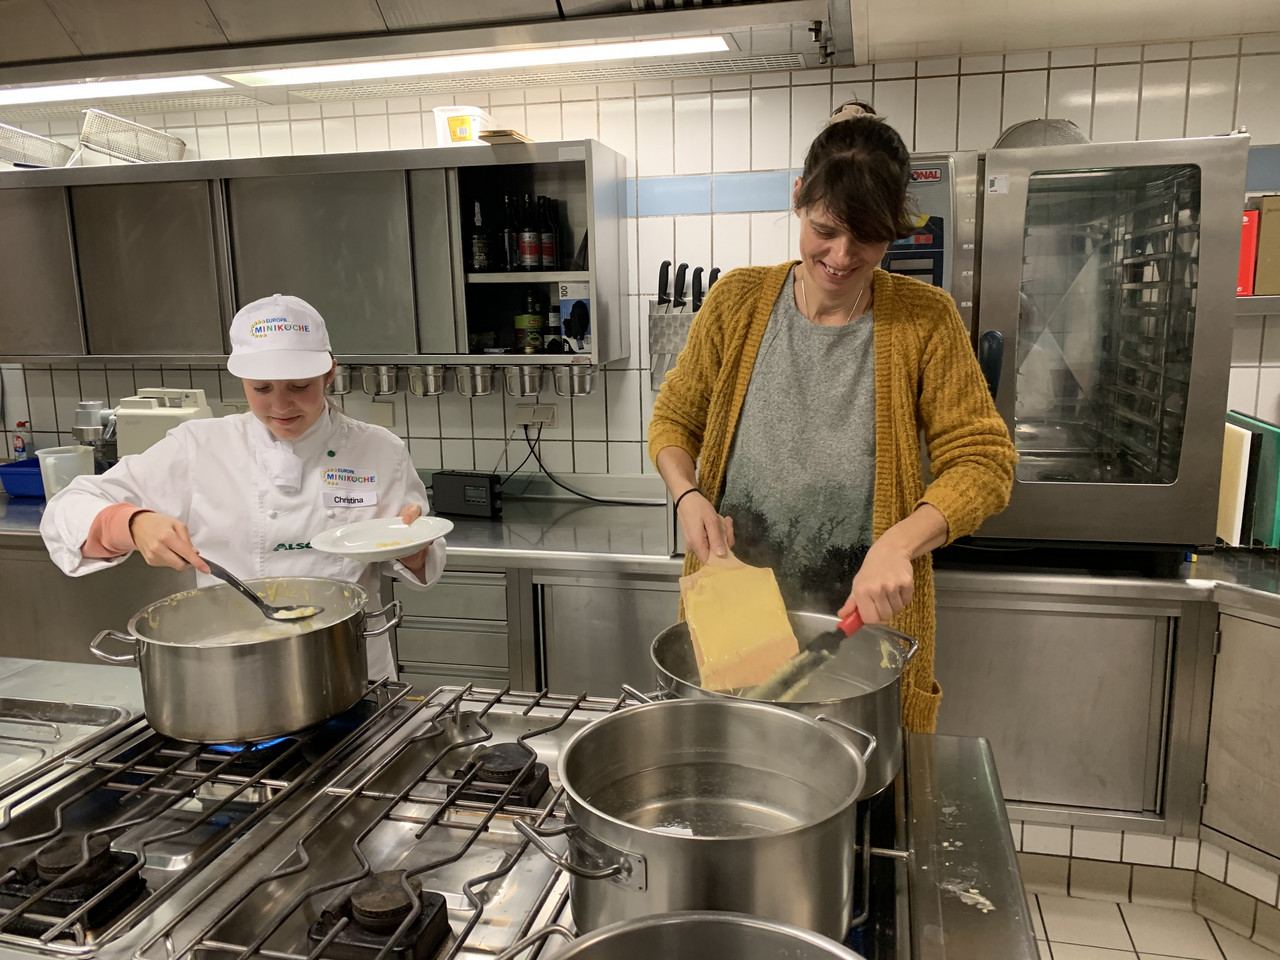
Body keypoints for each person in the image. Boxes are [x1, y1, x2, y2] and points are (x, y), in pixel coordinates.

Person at [647, 116, 1017, 734]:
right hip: (733, 625)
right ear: (799, 196)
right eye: (824, 230)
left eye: (867, 237)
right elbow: (674, 420)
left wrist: (899, 543)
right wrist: (687, 494)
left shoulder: (925, 320)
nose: (842, 257)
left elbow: (984, 461)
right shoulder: (737, 301)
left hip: (860, 639)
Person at [41, 294, 446, 679]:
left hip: (351, 663)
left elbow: (422, 562)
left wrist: (413, 549)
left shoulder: (379, 450)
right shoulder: (199, 447)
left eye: (299, 387)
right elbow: (67, 509)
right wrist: (131, 523)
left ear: (329, 374)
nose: (281, 405)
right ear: (242, 381)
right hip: (236, 670)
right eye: (261, 389)